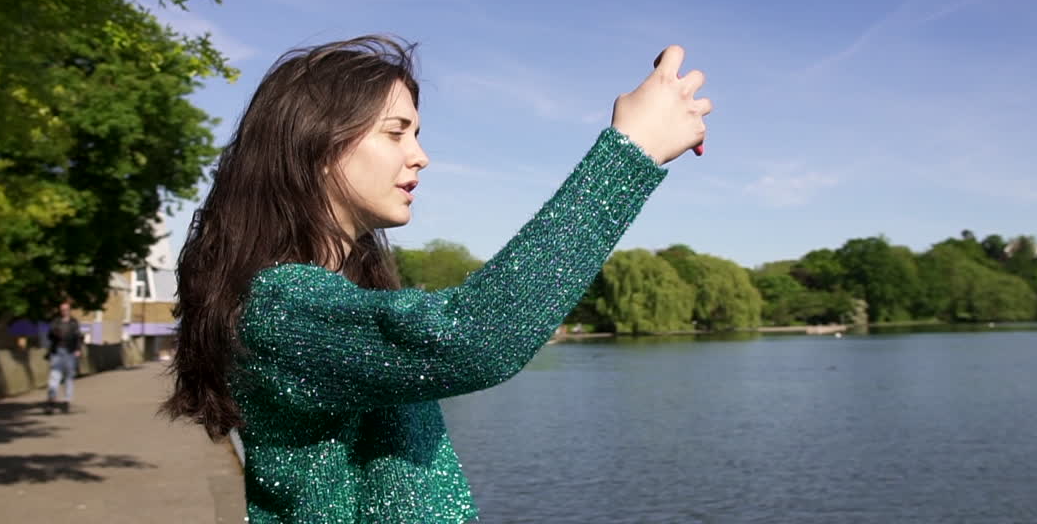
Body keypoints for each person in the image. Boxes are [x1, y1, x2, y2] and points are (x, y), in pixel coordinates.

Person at [162, 36, 710, 523]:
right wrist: (630, 152)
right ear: (316, 144)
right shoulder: (281, 308)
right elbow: (474, 339)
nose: (420, 157)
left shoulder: (324, 301)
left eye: (417, 134)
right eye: (396, 132)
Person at [46, 299, 83, 414]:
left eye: (66, 309)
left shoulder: (74, 322)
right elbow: (49, 335)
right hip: (57, 352)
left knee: (69, 377)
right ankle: (52, 401)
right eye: (62, 310)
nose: (64, 311)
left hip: (70, 352)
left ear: (69, 310)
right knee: (54, 377)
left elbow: (78, 337)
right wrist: (54, 333)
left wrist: (78, 349)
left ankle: (66, 402)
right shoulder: (55, 322)